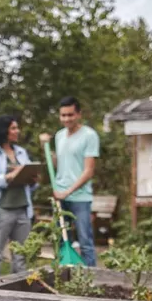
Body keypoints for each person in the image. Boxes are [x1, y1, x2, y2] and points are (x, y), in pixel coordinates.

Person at [39, 96, 100, 266]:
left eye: (70, 115)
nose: (66, 119)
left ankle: (92, 280)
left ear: (79, 114)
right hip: (60, 195)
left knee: (85, 241)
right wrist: (45, 148)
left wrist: (68, 191)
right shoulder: (59, 136)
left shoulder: (89, 135)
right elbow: (59, 164)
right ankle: (63, 275)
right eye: (63, 115)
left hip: (80, 197)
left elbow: (88, 171)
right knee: (60, 239)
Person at [0, 115, 37, 279]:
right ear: (4, 131)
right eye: (13, 128)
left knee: (21, 254)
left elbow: (30, 184)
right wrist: (11, 176)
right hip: (2, 211)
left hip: (23, 211)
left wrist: (33, 180)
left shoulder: (21, 152)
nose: (17, 131)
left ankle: (19, 291)